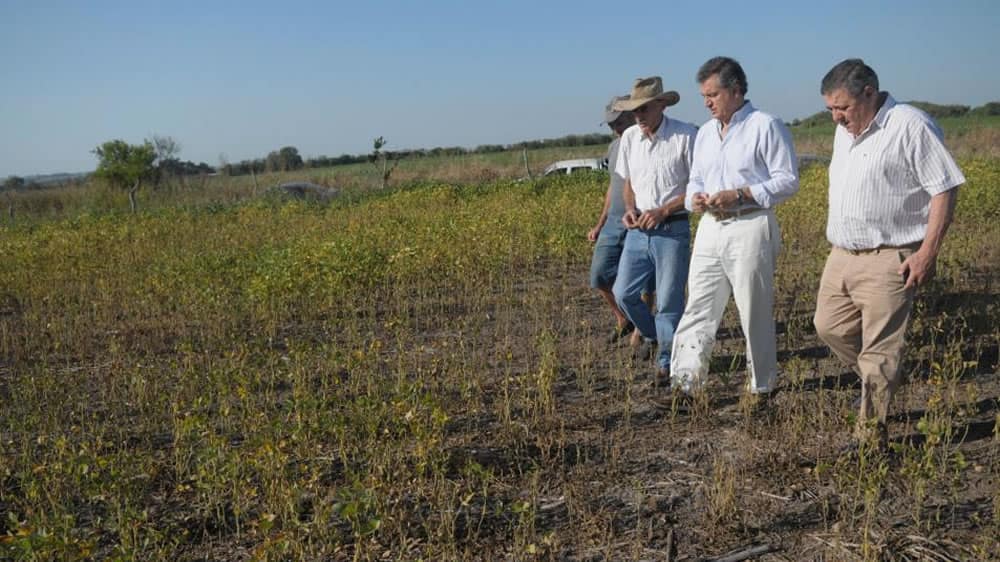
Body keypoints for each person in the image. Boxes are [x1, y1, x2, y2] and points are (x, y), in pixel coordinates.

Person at [813, 58, 964, 450]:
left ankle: (869, 440)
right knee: (827, 326)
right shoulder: (844, 132)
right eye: (830, 108)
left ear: (869, 93)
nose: (836, 118)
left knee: (879, 353)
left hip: (890, 256)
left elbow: (944, 188)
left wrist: (927, 253)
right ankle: (884, 375)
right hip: (842, 254)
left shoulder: (910, 125)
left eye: (842, 107)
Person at [669, 57, 799, 406]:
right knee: (698, 305)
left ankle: (761, 389)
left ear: (736, 89)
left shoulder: (765, 125)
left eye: (713, 94)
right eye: (704, 97)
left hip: (750, 223)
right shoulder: (706, 133)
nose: (708, 102)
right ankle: (686, 386)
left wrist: (741, 193)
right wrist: (692, 199)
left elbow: (788, 180)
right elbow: (695, 178)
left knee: (752, 308)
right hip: (711, 226)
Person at [610, 76, 697, 377]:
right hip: (638, 231)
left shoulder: (686, 136)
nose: (639, 116)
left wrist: (663, 210)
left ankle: (666, 363)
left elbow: (699, 188)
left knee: (669, 301)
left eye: (644, 109)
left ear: (661, 104)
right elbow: (629, 183)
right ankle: (656, 336)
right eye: (635, 111)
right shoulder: (630, 139)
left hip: (672, 229)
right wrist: (631, 208)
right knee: (623, 294)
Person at [587, 96, 637, 344]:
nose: (615, 128)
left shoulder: (643, 142)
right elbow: (612, 187)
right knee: (599, 276)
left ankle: (642, 329)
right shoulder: (614, 147)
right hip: (613, 222)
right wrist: (600, 223)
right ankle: (622, 319)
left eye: (619, 122)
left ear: (632, 115)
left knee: (642, 281)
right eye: (610, 124)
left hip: (637, 220)